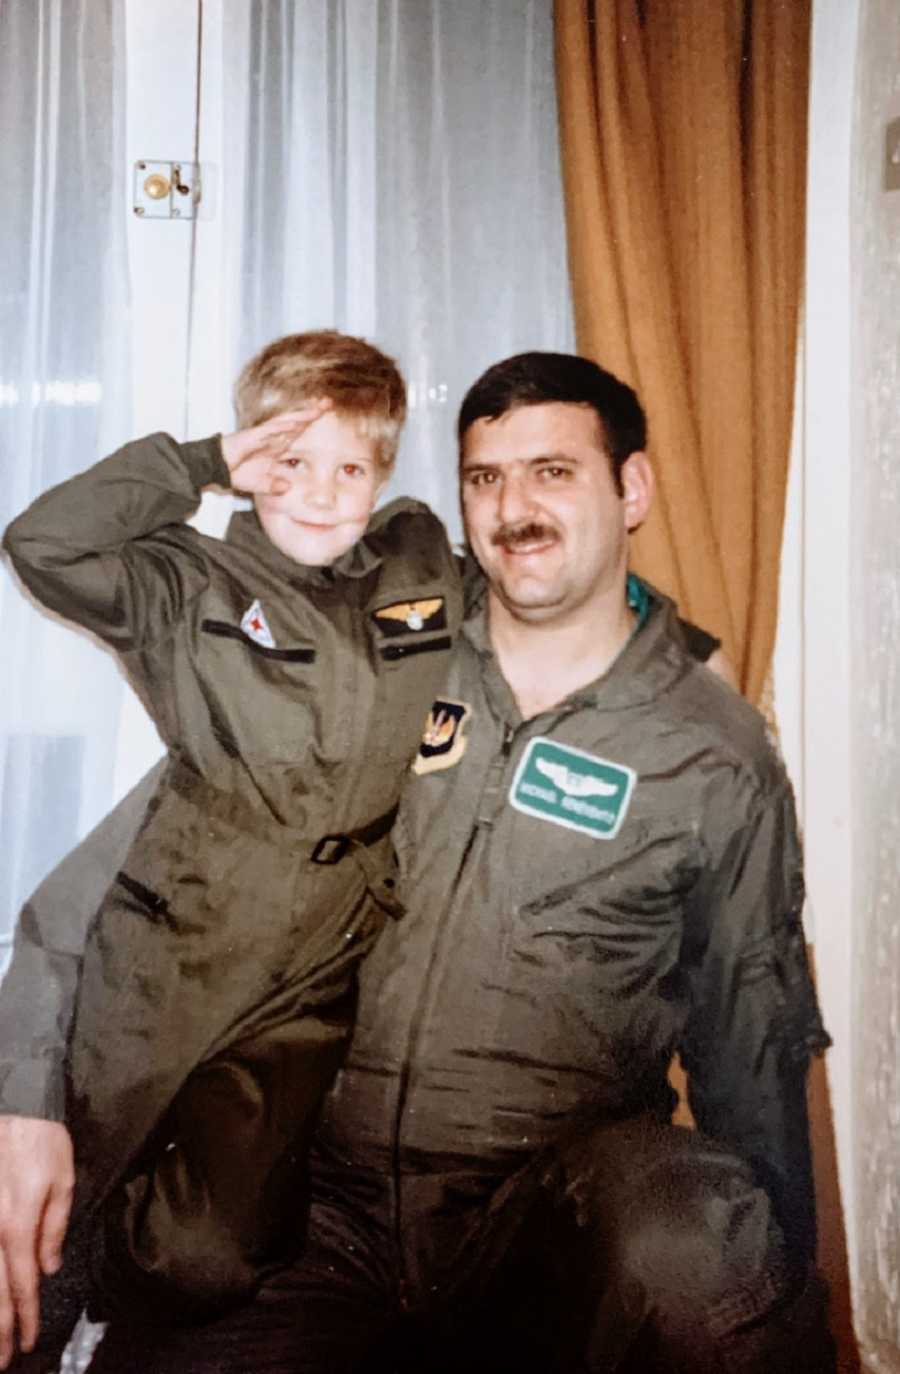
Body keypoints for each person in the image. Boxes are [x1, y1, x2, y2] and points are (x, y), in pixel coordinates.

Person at [0, 350, 833, 1374]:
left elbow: (753, 1040)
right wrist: (24, 1095)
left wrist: (783, 1301)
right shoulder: (394, 651)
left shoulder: (714, 752)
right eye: (485, 478)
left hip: (542, 1211)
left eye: (553, 472)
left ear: (635, 489)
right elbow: (138, 867)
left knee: (694, 1243)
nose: (513, 506)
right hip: (323, 1201)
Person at [0, 330, 462, 1364]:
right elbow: (43, 544)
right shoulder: (187, 581)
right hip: (172, 953)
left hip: (305, 986)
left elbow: (533, 605)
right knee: (40, 1237)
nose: (320, 492)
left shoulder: (415, 568)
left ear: (382, 471)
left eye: (350, 467)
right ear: (256, 461)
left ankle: (103, 1279)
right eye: (291, 461)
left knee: (207, 1256)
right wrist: (202, 462)